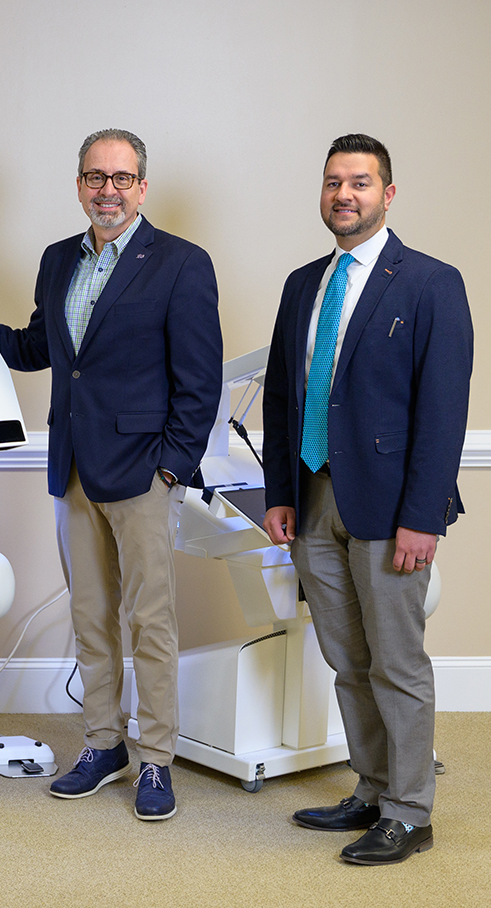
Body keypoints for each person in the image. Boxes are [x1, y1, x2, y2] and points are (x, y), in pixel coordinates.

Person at [0, 129, 222, 820]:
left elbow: (199, 383)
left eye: (121, 178)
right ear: (79, 185)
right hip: (72, 465)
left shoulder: (180, 263)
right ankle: (104, 744)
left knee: (150, 620)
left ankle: (157, 761)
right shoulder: (58, 262)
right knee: (90, 616)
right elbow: (32, 347)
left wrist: (170, 468)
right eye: (94, 177)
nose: (107, 190)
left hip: (143, 472)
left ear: (142, 187)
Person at [262, 134, 472, 865]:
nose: (342, 195)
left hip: (389, 508)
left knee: (396, 662)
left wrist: (424, 516)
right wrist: (280, 494)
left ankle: (411, 813)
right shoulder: (301, 284)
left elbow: (443, 410)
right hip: (314, 496)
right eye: (331, 183)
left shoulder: (430, 282)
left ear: (388, 194)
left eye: (359, 182)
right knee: (347, 659)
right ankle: (374, 788)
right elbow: (286, 398)